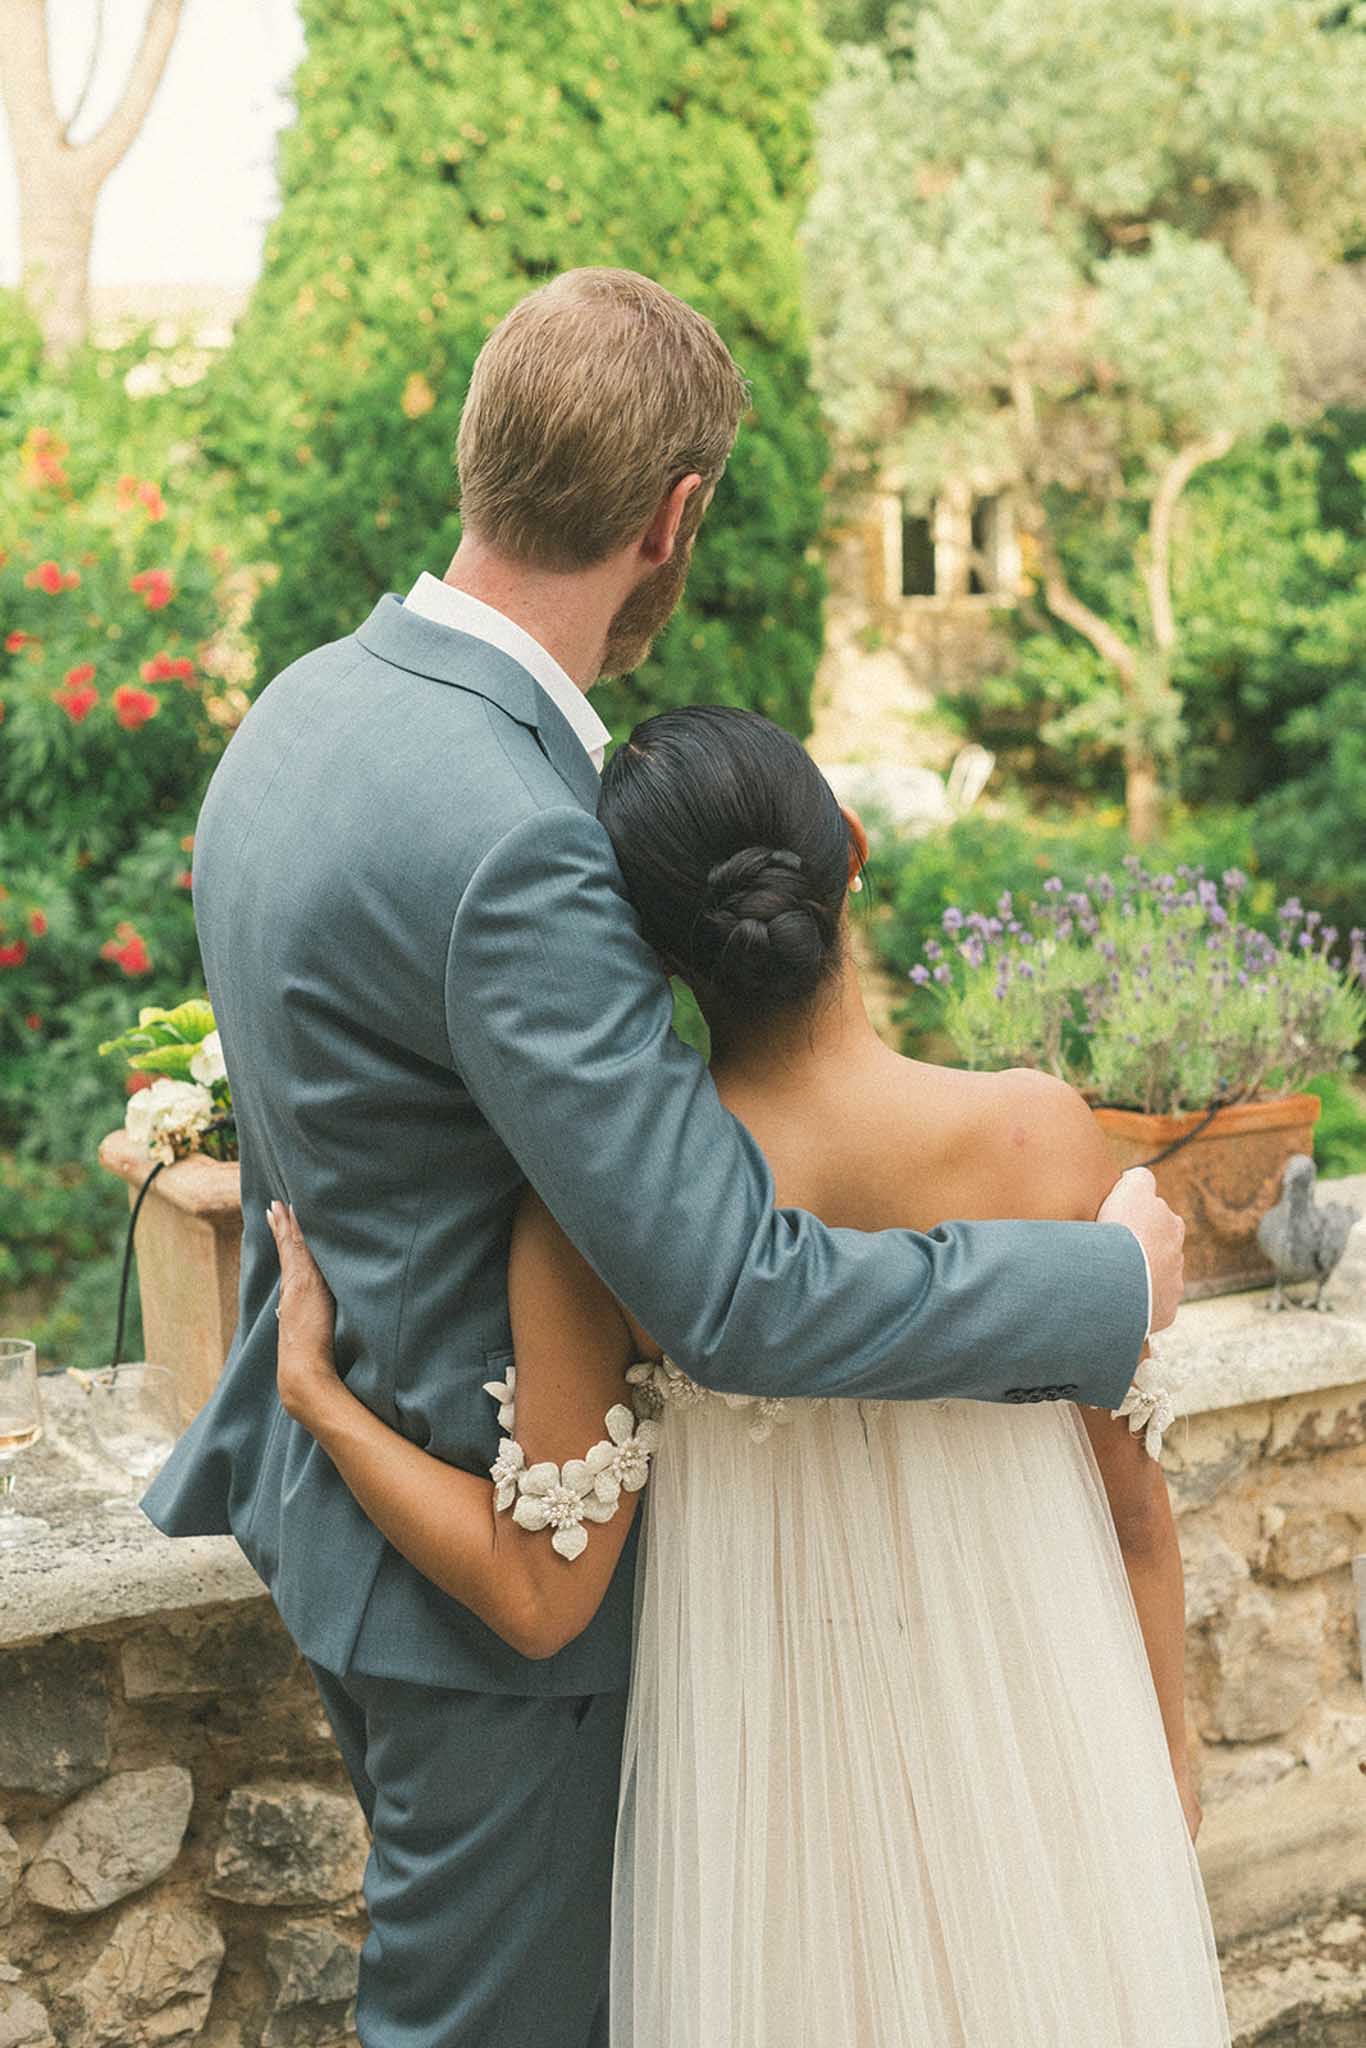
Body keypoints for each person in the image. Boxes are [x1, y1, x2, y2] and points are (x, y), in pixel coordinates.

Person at [141, 268, 1184, 2048]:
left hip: (358, 1529)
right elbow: (728, 1292)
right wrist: (1106, 1278)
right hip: (499, 1627)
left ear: (486, 458)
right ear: (674, 516)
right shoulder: (519, 837)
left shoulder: (301, 714)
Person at [262, 706, 1227, 2046]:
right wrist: (1165, 1771)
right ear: (849, 849)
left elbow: (539, 1597)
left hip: (768, 1854)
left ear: (643, 946)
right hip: (1041, 1787)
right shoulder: (1035, 1135)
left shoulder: (589, 1232)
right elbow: (1133, 1518)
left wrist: (311, 1396)